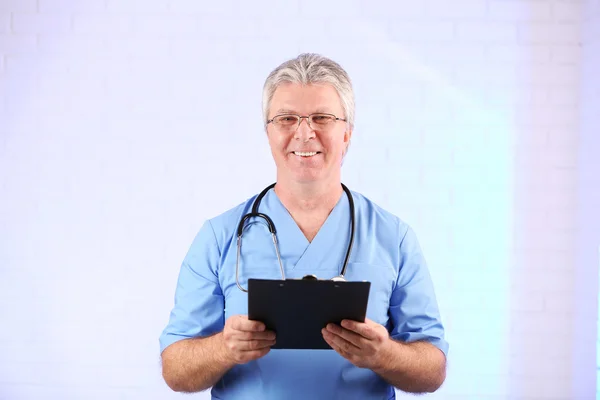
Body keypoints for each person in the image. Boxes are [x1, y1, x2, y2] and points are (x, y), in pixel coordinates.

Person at [159, 53, 448, 399]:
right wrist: (224, 347)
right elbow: (175, 370)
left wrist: (384, 355)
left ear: (347, 134)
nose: (304, 132)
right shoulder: (220, 236)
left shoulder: (393, 237)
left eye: (322, 117)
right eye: (286, 118)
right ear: (267, 133)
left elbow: (433, 370)